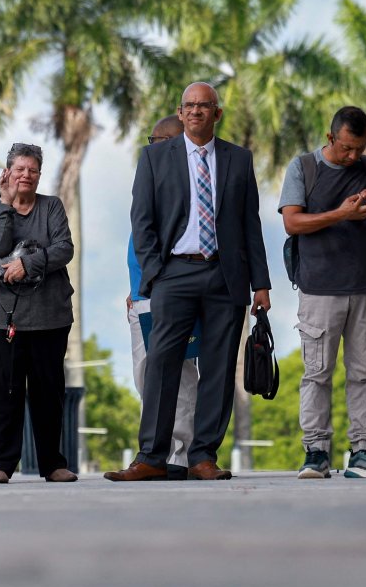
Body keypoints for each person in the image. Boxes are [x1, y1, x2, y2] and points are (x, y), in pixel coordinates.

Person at [107, 81, 271, 483]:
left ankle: (202, 457)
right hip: (173, 275)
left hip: (224, 275)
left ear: (217, 114)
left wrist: (261, 283)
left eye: (204, 106)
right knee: (161, 364)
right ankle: (151, 457)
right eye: (189, 106)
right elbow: (141, 221)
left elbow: (251, 224)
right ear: (180, 114)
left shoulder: (238, 159)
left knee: (217, 368)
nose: (196, 111)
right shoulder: (154, 157)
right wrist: (154, 275)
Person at [278, 106, 366, 480]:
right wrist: (340, 214)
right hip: (319, 288)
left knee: (363, 374)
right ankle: (315, 453)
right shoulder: (304, 168)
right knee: (317, 373)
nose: (352, 156)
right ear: (330, 138)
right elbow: (292, 222)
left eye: (359, 148)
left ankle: (363, 452)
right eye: (346, 147)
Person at [0, 143, 77, 484]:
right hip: (1, 317)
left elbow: (64, 248)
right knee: (4, 391)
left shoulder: (52, 207)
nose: (26, 176)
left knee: (49, 392)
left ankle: (53, 463)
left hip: (49, 316)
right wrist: (5, 204)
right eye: (19, 169)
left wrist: (28, 263)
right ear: (7, 173)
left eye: (32, 170)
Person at [125, 115, 197, 480]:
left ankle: (179, 455)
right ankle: (156, 450)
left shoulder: (184, 182)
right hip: (141, 298)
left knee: (180, 376)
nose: (149, 145)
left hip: (168, 294)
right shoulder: (150, 176)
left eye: (154, 139)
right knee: (146, 378)